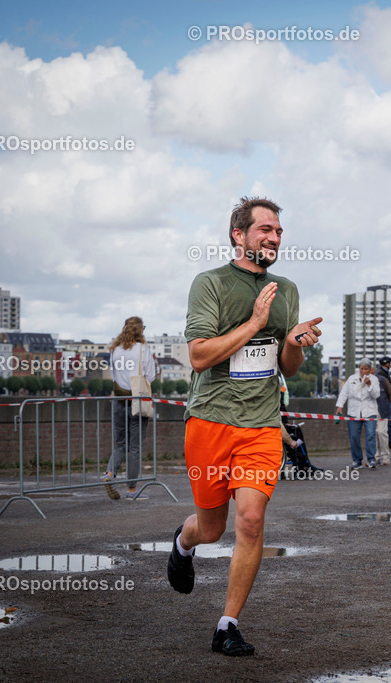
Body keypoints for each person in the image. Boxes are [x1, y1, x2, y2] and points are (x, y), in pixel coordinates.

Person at [167, 196, 322, 657]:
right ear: (239, 234)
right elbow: (198, 355)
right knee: (212, 528)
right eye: (265, 230)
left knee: (251, 522)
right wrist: (255, 321)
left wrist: (295, 343)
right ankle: (184, 540)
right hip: (210, 421)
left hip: (260, 425)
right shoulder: (210, 283)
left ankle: (227, 624)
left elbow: (288, 368)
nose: (274, 238)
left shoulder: (286, 290)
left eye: (278, 231)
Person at [104, 316, 157, 501]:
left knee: (120, 443)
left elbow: (113, 375)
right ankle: (131, 490)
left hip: (118, 400)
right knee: (135, 447)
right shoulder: (143, 350)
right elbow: (150, 376)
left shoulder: (115, 350)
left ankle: (109, 474)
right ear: (140, 330)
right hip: (137, 400)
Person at [335, 358, 380, 469]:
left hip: (369, 411)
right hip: (354, 411)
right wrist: (340, 405)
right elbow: (344, 393)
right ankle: (357, 460)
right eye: (362, 369)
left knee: (370, 435)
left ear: (370, 369)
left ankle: (371, 459)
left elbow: (376, 395)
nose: (364, 371)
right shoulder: (352, 378)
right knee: (354, 436)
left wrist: (369, 385)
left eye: (366, 369)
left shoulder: (374, 379)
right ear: (359, 368)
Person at [374, 358, 391, 466]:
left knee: (381, 433)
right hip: (371, 410)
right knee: (373, 433)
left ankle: (385, 456)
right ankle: (375, 456)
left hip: (382, 409)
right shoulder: (366, 381)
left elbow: (390, 393)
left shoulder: (382, 379)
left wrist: (385, 404)